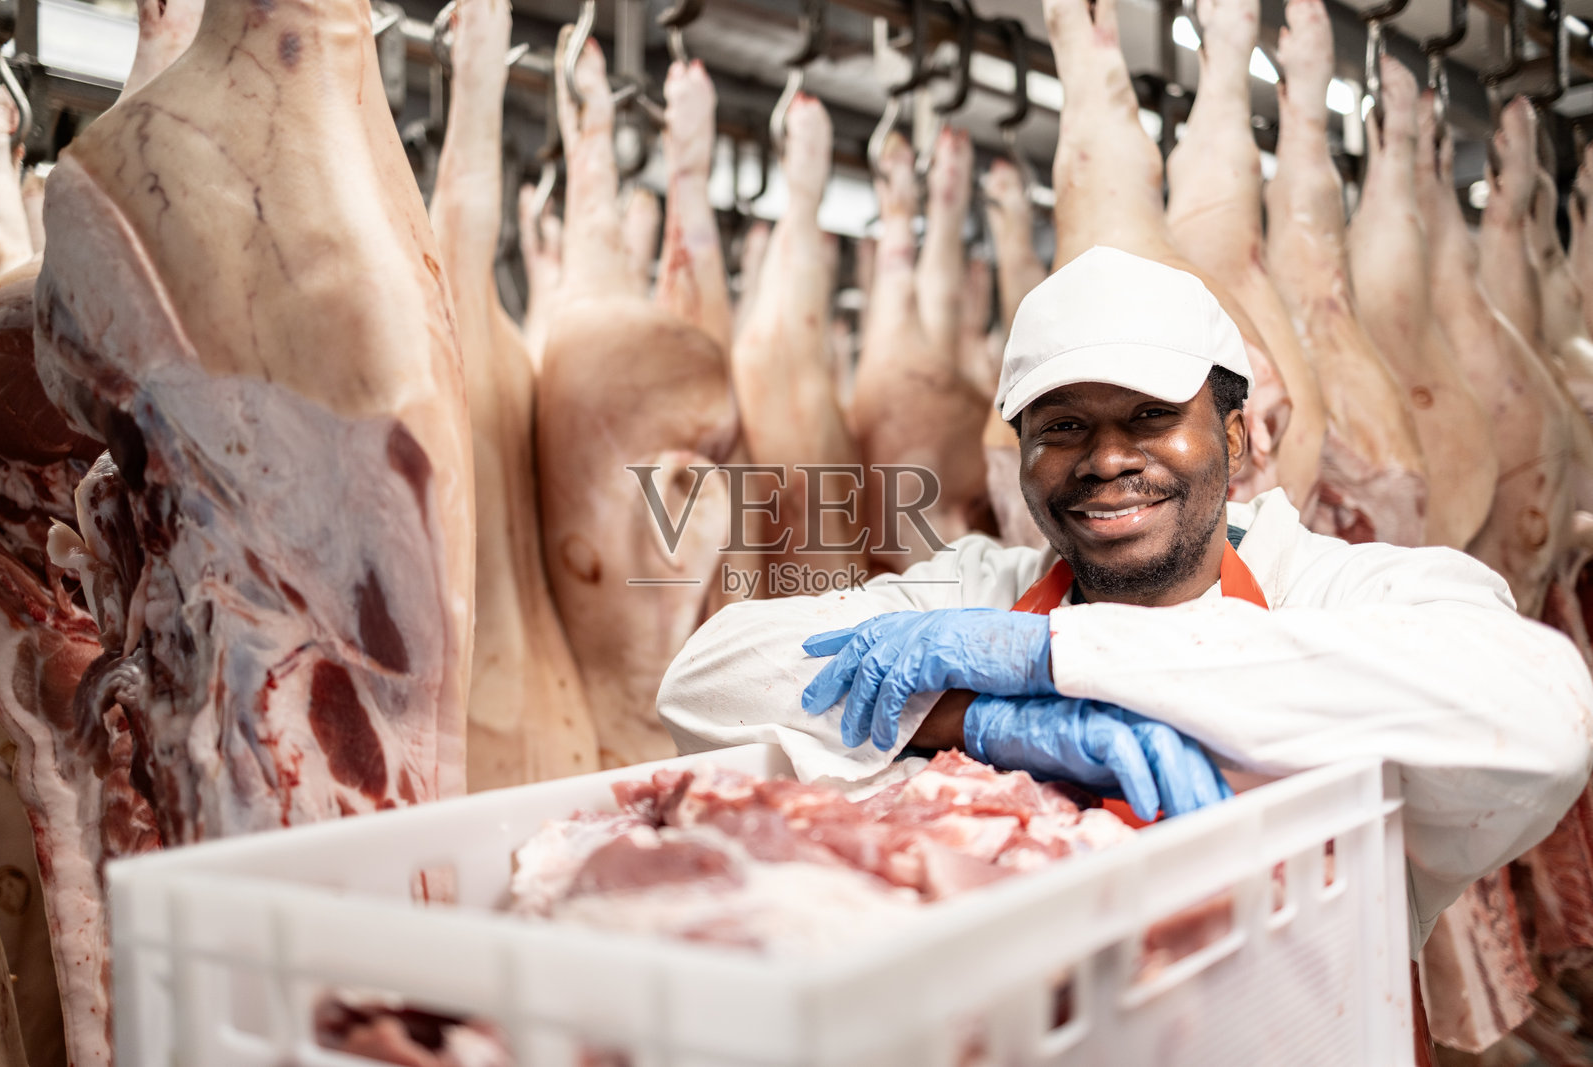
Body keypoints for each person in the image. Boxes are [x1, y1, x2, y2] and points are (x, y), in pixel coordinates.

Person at [656, 245, 1593, 949]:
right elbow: (702, 682)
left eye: (1152, 417)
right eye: (1064, 426)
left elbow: (1547, 709)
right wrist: (987, 720)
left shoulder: (1340, 588)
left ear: (1237, 438)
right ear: (1022, 457)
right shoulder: (981, 588)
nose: (1107, 459)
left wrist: (1053, 660)